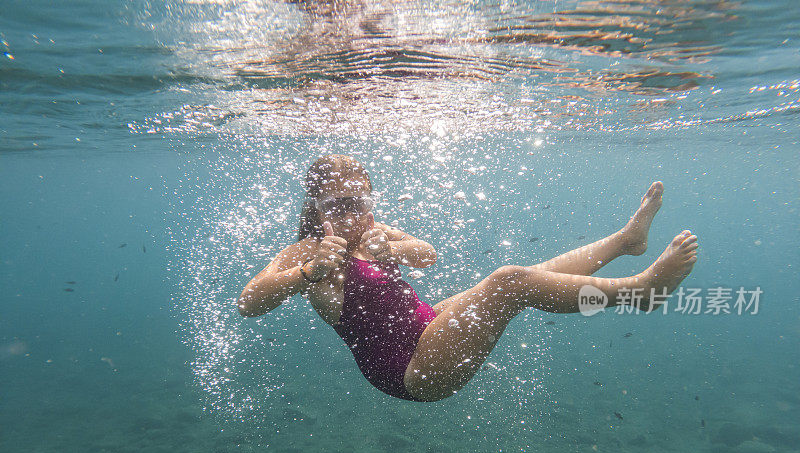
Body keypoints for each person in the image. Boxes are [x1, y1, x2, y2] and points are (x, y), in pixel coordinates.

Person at [238, 155, 698, 402]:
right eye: (337, 205)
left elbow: (428, 255)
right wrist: (305, 273)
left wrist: (394, 248)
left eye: (359, 202)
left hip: (426, 326)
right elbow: (249, 301)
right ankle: (639, 294)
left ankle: (624, 241)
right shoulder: (307, 249)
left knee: (529, 277)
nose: (351, 214)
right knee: (510, 282)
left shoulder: (374, 232)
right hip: (409, 373)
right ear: (315, 209)